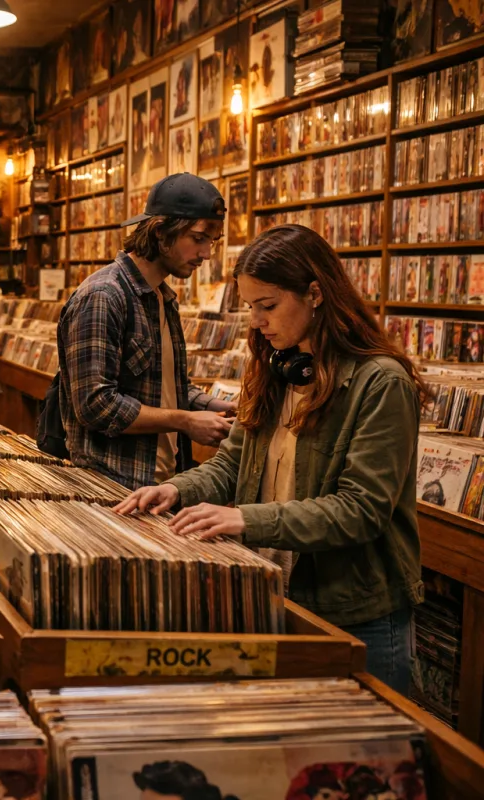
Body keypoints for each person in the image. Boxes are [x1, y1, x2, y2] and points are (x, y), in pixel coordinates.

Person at [116, 224, 425, 693]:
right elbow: (229, 465)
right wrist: (177, 489)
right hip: (275, 594)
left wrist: (244, 518)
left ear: (316, 294)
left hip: (355, 612)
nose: (257, 322)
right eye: (250, 308)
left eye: (269, 306)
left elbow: (361, 511)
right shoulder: (278, 367)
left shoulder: (381, 384)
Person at [55, 173, 235, 489]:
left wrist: (211, 407)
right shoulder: (104, 296)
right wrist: (185, 421)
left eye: (212, 241)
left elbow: (162, 386)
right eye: (198, 238)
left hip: (159, 481)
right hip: (111, 486)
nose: (207, 254)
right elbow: (95, 405)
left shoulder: (162, 298)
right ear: (161, 232)